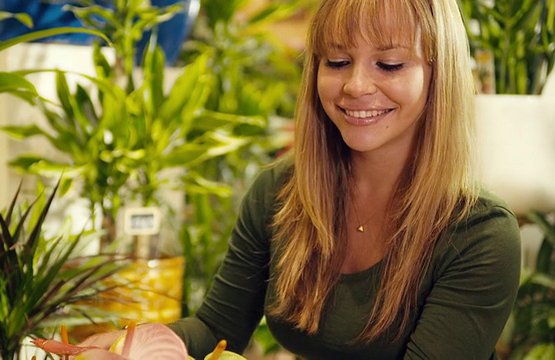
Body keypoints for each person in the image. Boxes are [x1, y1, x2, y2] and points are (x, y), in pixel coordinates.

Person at [84, 0, 522, 358]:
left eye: (388, 64)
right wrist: (131, 344)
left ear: (439, 75)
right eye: (337, 61)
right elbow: (216, 329)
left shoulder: (480, 233)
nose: (355, 85)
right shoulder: (278, 192)